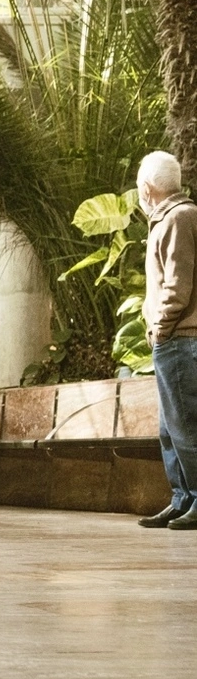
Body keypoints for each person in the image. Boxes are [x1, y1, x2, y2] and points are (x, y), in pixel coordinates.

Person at [135, 151, 197, 530]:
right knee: (170, 428)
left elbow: (177, 284)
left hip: (180, 338)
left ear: (146, 188)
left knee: (186, 425)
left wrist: (160, 326)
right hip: (173, 340)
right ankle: (182, 498)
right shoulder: (170, 219)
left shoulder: (179, 218)